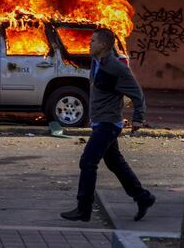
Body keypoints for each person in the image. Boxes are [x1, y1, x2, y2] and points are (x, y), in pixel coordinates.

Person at [61, 28, 155, 222]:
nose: (89, 43)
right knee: (114, 162)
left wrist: (138, 117)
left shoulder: (116, 67)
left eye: (93, 41)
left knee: (87, 161)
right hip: (100, 122)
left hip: (109, 123)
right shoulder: (97, 62)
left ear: (103, 45)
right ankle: (143, 197)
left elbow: (137, 93)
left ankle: (83, 208)